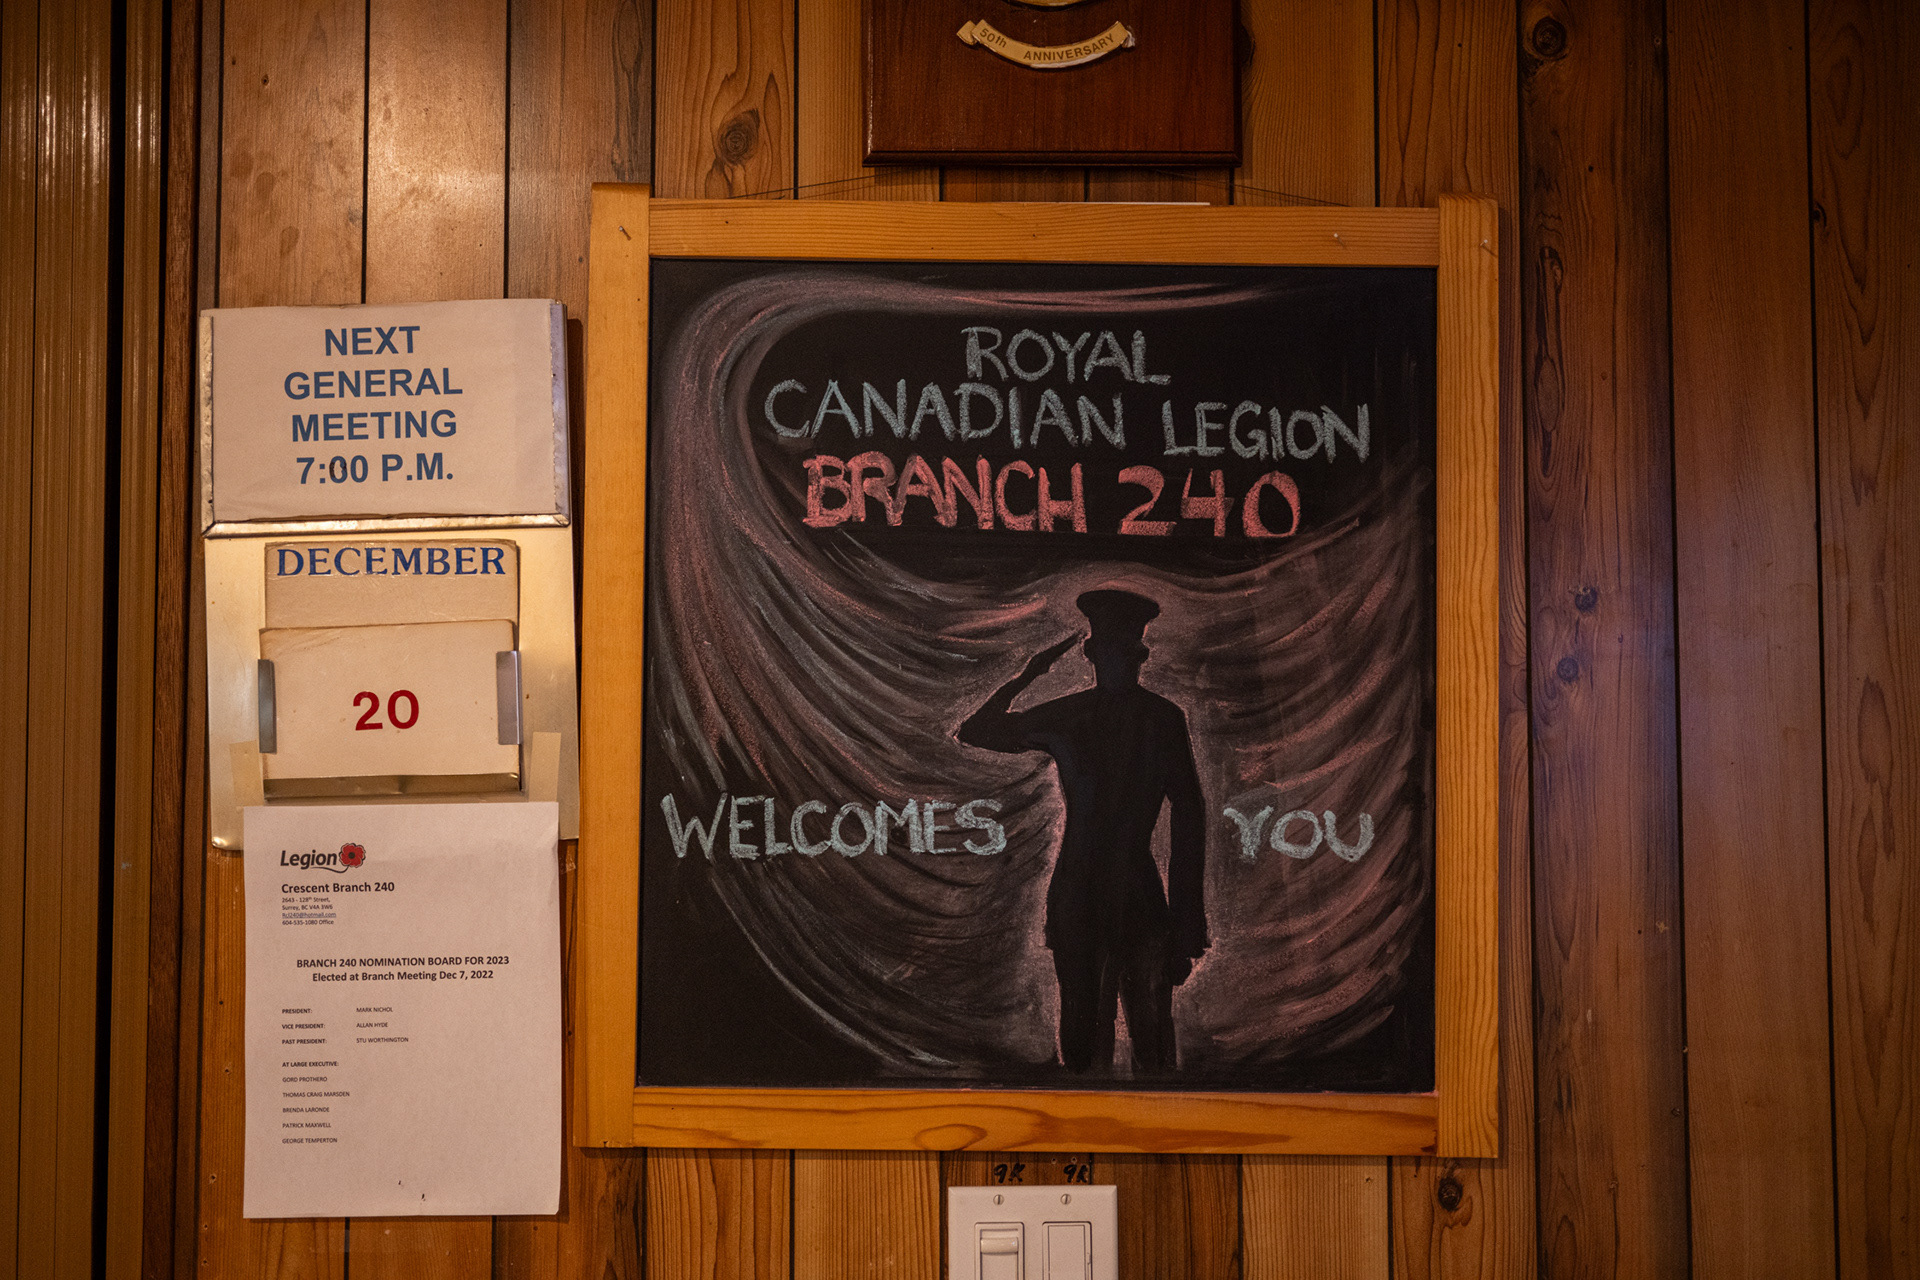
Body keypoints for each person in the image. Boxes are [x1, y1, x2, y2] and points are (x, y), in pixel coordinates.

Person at [959, 589, 1208, 1074]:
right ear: (1096, 654)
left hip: (1112, 896)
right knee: (1099, 1045)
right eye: (1112, 652)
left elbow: (1189, 818)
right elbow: (975, 731)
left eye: (1123, 653)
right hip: (1105, 897)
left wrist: (1186, 926)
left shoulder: (1118, 719)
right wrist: (1029, 674)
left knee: (1141, 1043)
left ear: (1135, 656)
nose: (1117, 663)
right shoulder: (1133, 718)